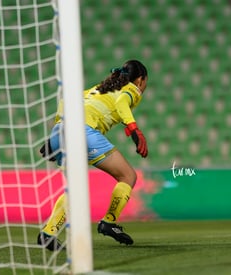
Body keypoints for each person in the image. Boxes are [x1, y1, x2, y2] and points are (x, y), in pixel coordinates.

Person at [37, 59, 149, 251]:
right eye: (145, 82)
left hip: (59, 129)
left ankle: (48, 233)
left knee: (74, 188)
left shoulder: (97, 89)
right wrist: (134, 130)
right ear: (140, 80)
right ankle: (109, 222)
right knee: (127, 176)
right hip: (83, 132)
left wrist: (55, 136)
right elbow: (122, 103)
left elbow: (67, 101)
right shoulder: (131, 89)